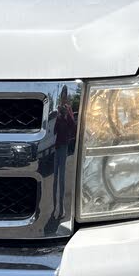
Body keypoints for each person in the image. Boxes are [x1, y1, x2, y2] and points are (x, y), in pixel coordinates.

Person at [52, 87, 77, 218]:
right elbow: (54, 130)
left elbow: (73, 127)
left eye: (65, 95)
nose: (63, 98)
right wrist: (59, 116)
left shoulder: (68, 109)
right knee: (55, 178)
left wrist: (67, 114)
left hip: (64, 146)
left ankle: (62, 210)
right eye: (62, 95)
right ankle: (54, 207)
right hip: (56, 146)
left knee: (62, 177)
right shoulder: (58, 111)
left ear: (67, 97)